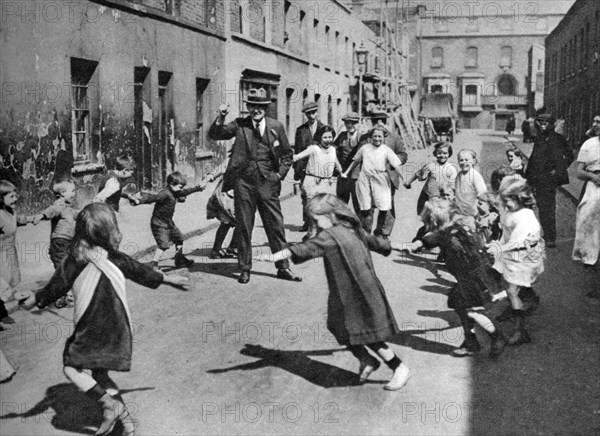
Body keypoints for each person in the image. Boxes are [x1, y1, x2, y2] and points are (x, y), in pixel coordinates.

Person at [22, 203, 189, 435]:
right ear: (110, 230)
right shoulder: (116, 258)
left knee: (72, 368)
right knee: (100, 374)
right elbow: (141, 271)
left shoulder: (76, 258)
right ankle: (127, 424)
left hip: (91, 327)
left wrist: (34, 299)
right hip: (118, 329)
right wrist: (169, 279)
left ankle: (108, 405)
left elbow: (56, 287)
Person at [257, 193, 410, 390]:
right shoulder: (351, 228)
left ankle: (399, 367)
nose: (316, 224)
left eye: (316, 219)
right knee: (340, 325)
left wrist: (273, 257)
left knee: (366, 333)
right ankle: (367, 360)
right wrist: (398, 246)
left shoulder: (328, 236)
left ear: (330, 215)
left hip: (356, 293)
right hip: (352, 291)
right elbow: (374, 242)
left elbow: (305, 248)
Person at [208, 88, 300, 284]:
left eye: (260, 106)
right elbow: (216, 134)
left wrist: (278, 175)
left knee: (275, 226)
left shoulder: (276, 126)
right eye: (252, 106)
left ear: (265, 108)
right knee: (243, 227)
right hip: (244, 183)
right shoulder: (240, 125)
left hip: (268, 183)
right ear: (248, 107)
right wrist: (221, 117)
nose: (256, 110)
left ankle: (283, 267)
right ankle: (244, 268)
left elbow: (286, 155)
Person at [399, 199, 507, 358]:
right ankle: (470, 341)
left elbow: (426, 242)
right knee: (459, 304)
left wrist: (395, 246)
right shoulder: (457, 228)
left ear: (434, 220)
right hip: (476, 277)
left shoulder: (447, 236)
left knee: (473, 312)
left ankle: (496, 337)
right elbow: (428, 240)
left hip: (473, 280)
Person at [488, 178, 545, 346]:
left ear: (519, 198)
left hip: (523, 258)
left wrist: (499, 248)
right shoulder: (512, 211)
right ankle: (518, 306)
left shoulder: (525, 216)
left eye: (508, 202)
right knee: (509, 285)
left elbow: (519, 242)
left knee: (512, 290)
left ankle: (521, 330)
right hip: (514, 256)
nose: (505, 205)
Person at [133, 171, 206, 270]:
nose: (181, 190)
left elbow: (185, 192)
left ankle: (179, 259)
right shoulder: (165, 193)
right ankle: (154, 263)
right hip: (159, 223)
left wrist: (197, 188)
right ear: (172, 184)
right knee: (163, 245)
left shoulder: (174, 191)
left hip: (169, 222)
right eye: (180, 187)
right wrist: (139, 201)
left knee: (179, 239)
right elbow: (153, 198)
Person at [341, 126, 404, 235]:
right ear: (371, 137)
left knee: (384, 206)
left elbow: (397, 165)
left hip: (381, 179)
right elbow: (355, 161)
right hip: (365, 179)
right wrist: (346, 173)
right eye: (374, 136)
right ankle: (366, 234)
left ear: (383, 137)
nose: (377, 139)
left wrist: (405, 179)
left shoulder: (386, 150)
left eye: (379, 136)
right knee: (366, 208)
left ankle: (380, 233)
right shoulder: (365, 148)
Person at [525, 114, 573, 248]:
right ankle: (545, 235)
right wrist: (528, 176)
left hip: (549, 179)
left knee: (548, 208)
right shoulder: (539, 138)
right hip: (537, 178)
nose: (542, 125)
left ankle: (551, 238)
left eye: (545, 122)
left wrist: (558, 170)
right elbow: (534, 158)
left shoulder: (558, 139)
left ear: (552, 124)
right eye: (540, 122)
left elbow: (570, 156)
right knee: (540, 207)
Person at [32, 178, 80, 308]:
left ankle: (63, 295)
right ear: (63, 193)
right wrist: (41, 216)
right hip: (59, 243)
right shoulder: (58, 206)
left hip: (67, 243)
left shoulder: (68, 208)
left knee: (66, 269)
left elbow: (76, 213)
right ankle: (64, 296)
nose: (75, 193)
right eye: (73, 191)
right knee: (63, 270)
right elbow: (52, 210)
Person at [293, 125, 342, 240]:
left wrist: (341, 172)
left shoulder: (333, 150)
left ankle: (321, 235)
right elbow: (298, 156)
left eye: (330, 137)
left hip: (327, 183)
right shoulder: (314, 149)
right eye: (325, 137)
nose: (328, 140)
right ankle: (311, 233)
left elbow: (336, 163)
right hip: (312, 182)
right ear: (320, 138)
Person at [365, 110, 408, 238]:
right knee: (368, 206)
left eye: (382, 121)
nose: (379, 124)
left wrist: (392, 160)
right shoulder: (366, 137)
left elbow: (404, 155)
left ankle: (382, 233)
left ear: (385, 122)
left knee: (386, 207)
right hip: (370, 177)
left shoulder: (394, 137)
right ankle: (366, 233)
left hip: (388, 177)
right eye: (375, 121)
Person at [572, 114, 600, 298]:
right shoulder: (589, 145)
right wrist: (593, 177)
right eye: (595, 121)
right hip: (594, 187)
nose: (596, 124)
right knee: (591, 230)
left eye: (599, 122)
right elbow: (579, 172)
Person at [0, 180, 35, 304]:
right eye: (11, 196)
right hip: (1, 254)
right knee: (2, 283)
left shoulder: (11, 212)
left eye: (15, 195)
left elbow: (19, 219)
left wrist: (32, 219)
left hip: (10, 253)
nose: (15, 199)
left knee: (10, 280)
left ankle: (3, 308)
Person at [294, 102, 324, 232]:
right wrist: (297, 171)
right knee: (305, 196)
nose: (311, 116)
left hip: (320, 168)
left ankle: (318, 223)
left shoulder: (325, 128)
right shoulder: (301, 130)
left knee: (319, 195)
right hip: (305, 168)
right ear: (306, 115)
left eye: (313, 112)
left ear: (317, 112)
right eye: (308, 114)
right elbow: (298, 150)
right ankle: (307, 221)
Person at [206, 158, 239, 260]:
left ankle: (232, 247)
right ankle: (216, 250)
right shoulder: (233, 158)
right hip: (227, 195)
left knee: (242, 223)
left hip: (239, 195)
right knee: (227, 222)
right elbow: (220, 168)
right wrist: (210, 176)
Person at [335, 112, 363, 216]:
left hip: (357, 177)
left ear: (357, 123)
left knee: (358, 204)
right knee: (341, 204)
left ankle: (361, 229)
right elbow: (333, 151)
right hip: (343, 176)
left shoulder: (362, 138)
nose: (350, 125)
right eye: (347, 123)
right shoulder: (341, 136)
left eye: (353, 123)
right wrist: (337, 167)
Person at [454, 149, 487, 229]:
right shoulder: (458, 175)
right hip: (461, 209)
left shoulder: (475, 176)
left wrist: (481, 209)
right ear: (458, 162)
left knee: (472, 230)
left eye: (467, 160)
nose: (464, 162)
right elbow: (457, 190)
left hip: (473, 211)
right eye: (461, 160)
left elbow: (482, 193)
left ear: (473, 161)